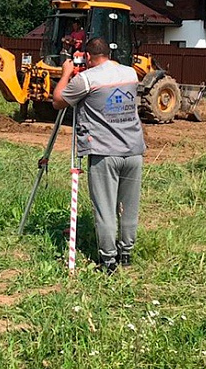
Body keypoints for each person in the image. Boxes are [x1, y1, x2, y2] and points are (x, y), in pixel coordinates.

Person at [52, 37, 146, 274]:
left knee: (105, 209)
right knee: (128, 206)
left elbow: (58, 101)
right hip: (134, 150)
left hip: (104, 152)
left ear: (88, 57)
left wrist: (66, 73)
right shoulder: (130, 74)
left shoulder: (86, 79)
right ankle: (126, 253)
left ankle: (108, 261)